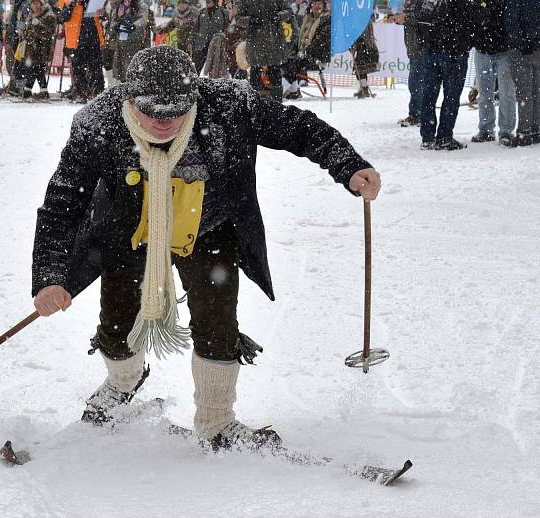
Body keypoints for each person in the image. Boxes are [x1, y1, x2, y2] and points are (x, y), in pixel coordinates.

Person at [30, 46, 381, 452]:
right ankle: (123, 381)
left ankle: (217, 420)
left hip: (208, 228)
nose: (163, 123)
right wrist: (50, 278)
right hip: (131, 233)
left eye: (176, 112)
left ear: (194, 96)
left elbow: (298, 128)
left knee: (217, 324)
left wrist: (349, 165)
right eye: (151, 113)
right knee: (116, 326)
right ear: (127, 97)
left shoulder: (230, 105)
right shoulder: (98, 122)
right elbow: (62, 204)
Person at [416, 0, 476, 150]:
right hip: (453, 53)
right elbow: (471, 20)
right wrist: (465, 44)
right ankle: (444, 136)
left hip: (431, 51)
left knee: (429, 95)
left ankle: (427, 136)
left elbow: (419, 19)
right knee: (451, 97)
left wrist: (426, 43)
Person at [469, 0, 517, 146]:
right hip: (482, 49)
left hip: (505, 50)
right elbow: (471, 16)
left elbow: (514, 16)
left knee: (507, 93)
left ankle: (506, 132)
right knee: (484, 92)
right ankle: (486, 129)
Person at [234, 0, 291, 101]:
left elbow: (288, 11)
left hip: (274, 41)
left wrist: (278, 17)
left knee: (275, 73)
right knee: (255, 74)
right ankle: (254, 104)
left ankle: (277, 104)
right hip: (255, 42)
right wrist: (250, 20)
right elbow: (238, 18)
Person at [504, 0, 540, 146]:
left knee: (525, 93)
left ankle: (524, 132)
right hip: (537, 49)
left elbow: (511, 21)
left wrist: (521, 43)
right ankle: (536, 129)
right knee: (536, 92)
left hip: (521, 51)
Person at [281, 0, 330, 99]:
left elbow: (321, 41)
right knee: (286, 62)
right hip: (303, 53)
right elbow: (299, 38)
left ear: (324, 6)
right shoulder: (307, 18)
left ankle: (281, 91)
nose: (317, 6)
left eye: (320, 3)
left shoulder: (327, 20)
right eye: (315, 3)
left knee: (292, 65)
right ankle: (293, 91)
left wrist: (306, 51)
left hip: (318, 56)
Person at [59, 0, 105, 102]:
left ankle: (97, 92)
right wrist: (71, 5)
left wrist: (102, 13)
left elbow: (103, 17)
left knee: (96, 68)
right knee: (78, 69)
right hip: (77, 41)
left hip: (94, 39)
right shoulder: (68, 1)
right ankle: (81, 92)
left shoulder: (94, 2)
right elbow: (63, 17)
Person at [393, 0, 424, 127]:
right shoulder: (410, 3)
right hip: (414, 49)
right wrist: (398, 18)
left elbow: (423, 19)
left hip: (421, 49)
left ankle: (418, 114)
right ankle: (416, 114)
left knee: (416, 83)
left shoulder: (423, 3)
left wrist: (406, 18)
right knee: (415, 83)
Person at [17, 0, 55, 97]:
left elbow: (48, 33)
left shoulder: (49, 15)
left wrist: (39, 25)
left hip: (41, 48)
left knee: (33, 68)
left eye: (37, 3)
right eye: (33, 3)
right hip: (30, 47)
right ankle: (43, 91)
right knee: (38, 69)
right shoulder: (32, 15)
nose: (35, 5)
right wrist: (23, 33)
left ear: (42, 4)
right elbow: (28, 32)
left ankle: (27, 91)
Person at [109, 0, 148, 82]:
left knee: (132, 68)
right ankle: (123, 86)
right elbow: (113, 20)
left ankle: (132, 88)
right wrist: (115, 26)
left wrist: (133, 26)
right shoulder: (119, 5)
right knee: (120, 69)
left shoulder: (140, 5)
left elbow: (143, 19)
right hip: (121, 42)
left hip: (134, 42)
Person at [191, 0, 230, 75]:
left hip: (216, 45)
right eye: (206, 2)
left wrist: (222, 36)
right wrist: (191, 42)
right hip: (201, 45)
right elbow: (195, 28)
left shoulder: (223, 12)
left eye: (209, 1)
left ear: (214, 2)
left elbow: (227, 28)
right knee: (196, 68)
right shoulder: (202, 12)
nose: (207, 3)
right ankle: (194, 82)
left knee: (215, 69)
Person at [350, 17, 379, 99]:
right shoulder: (364, 18)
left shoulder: (363, 19)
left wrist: (354, 45)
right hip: (366, 47)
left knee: (359, 69)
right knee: (360, 70)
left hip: (366, 48)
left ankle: (364, 88)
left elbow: (362, 35)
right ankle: (363, 87)